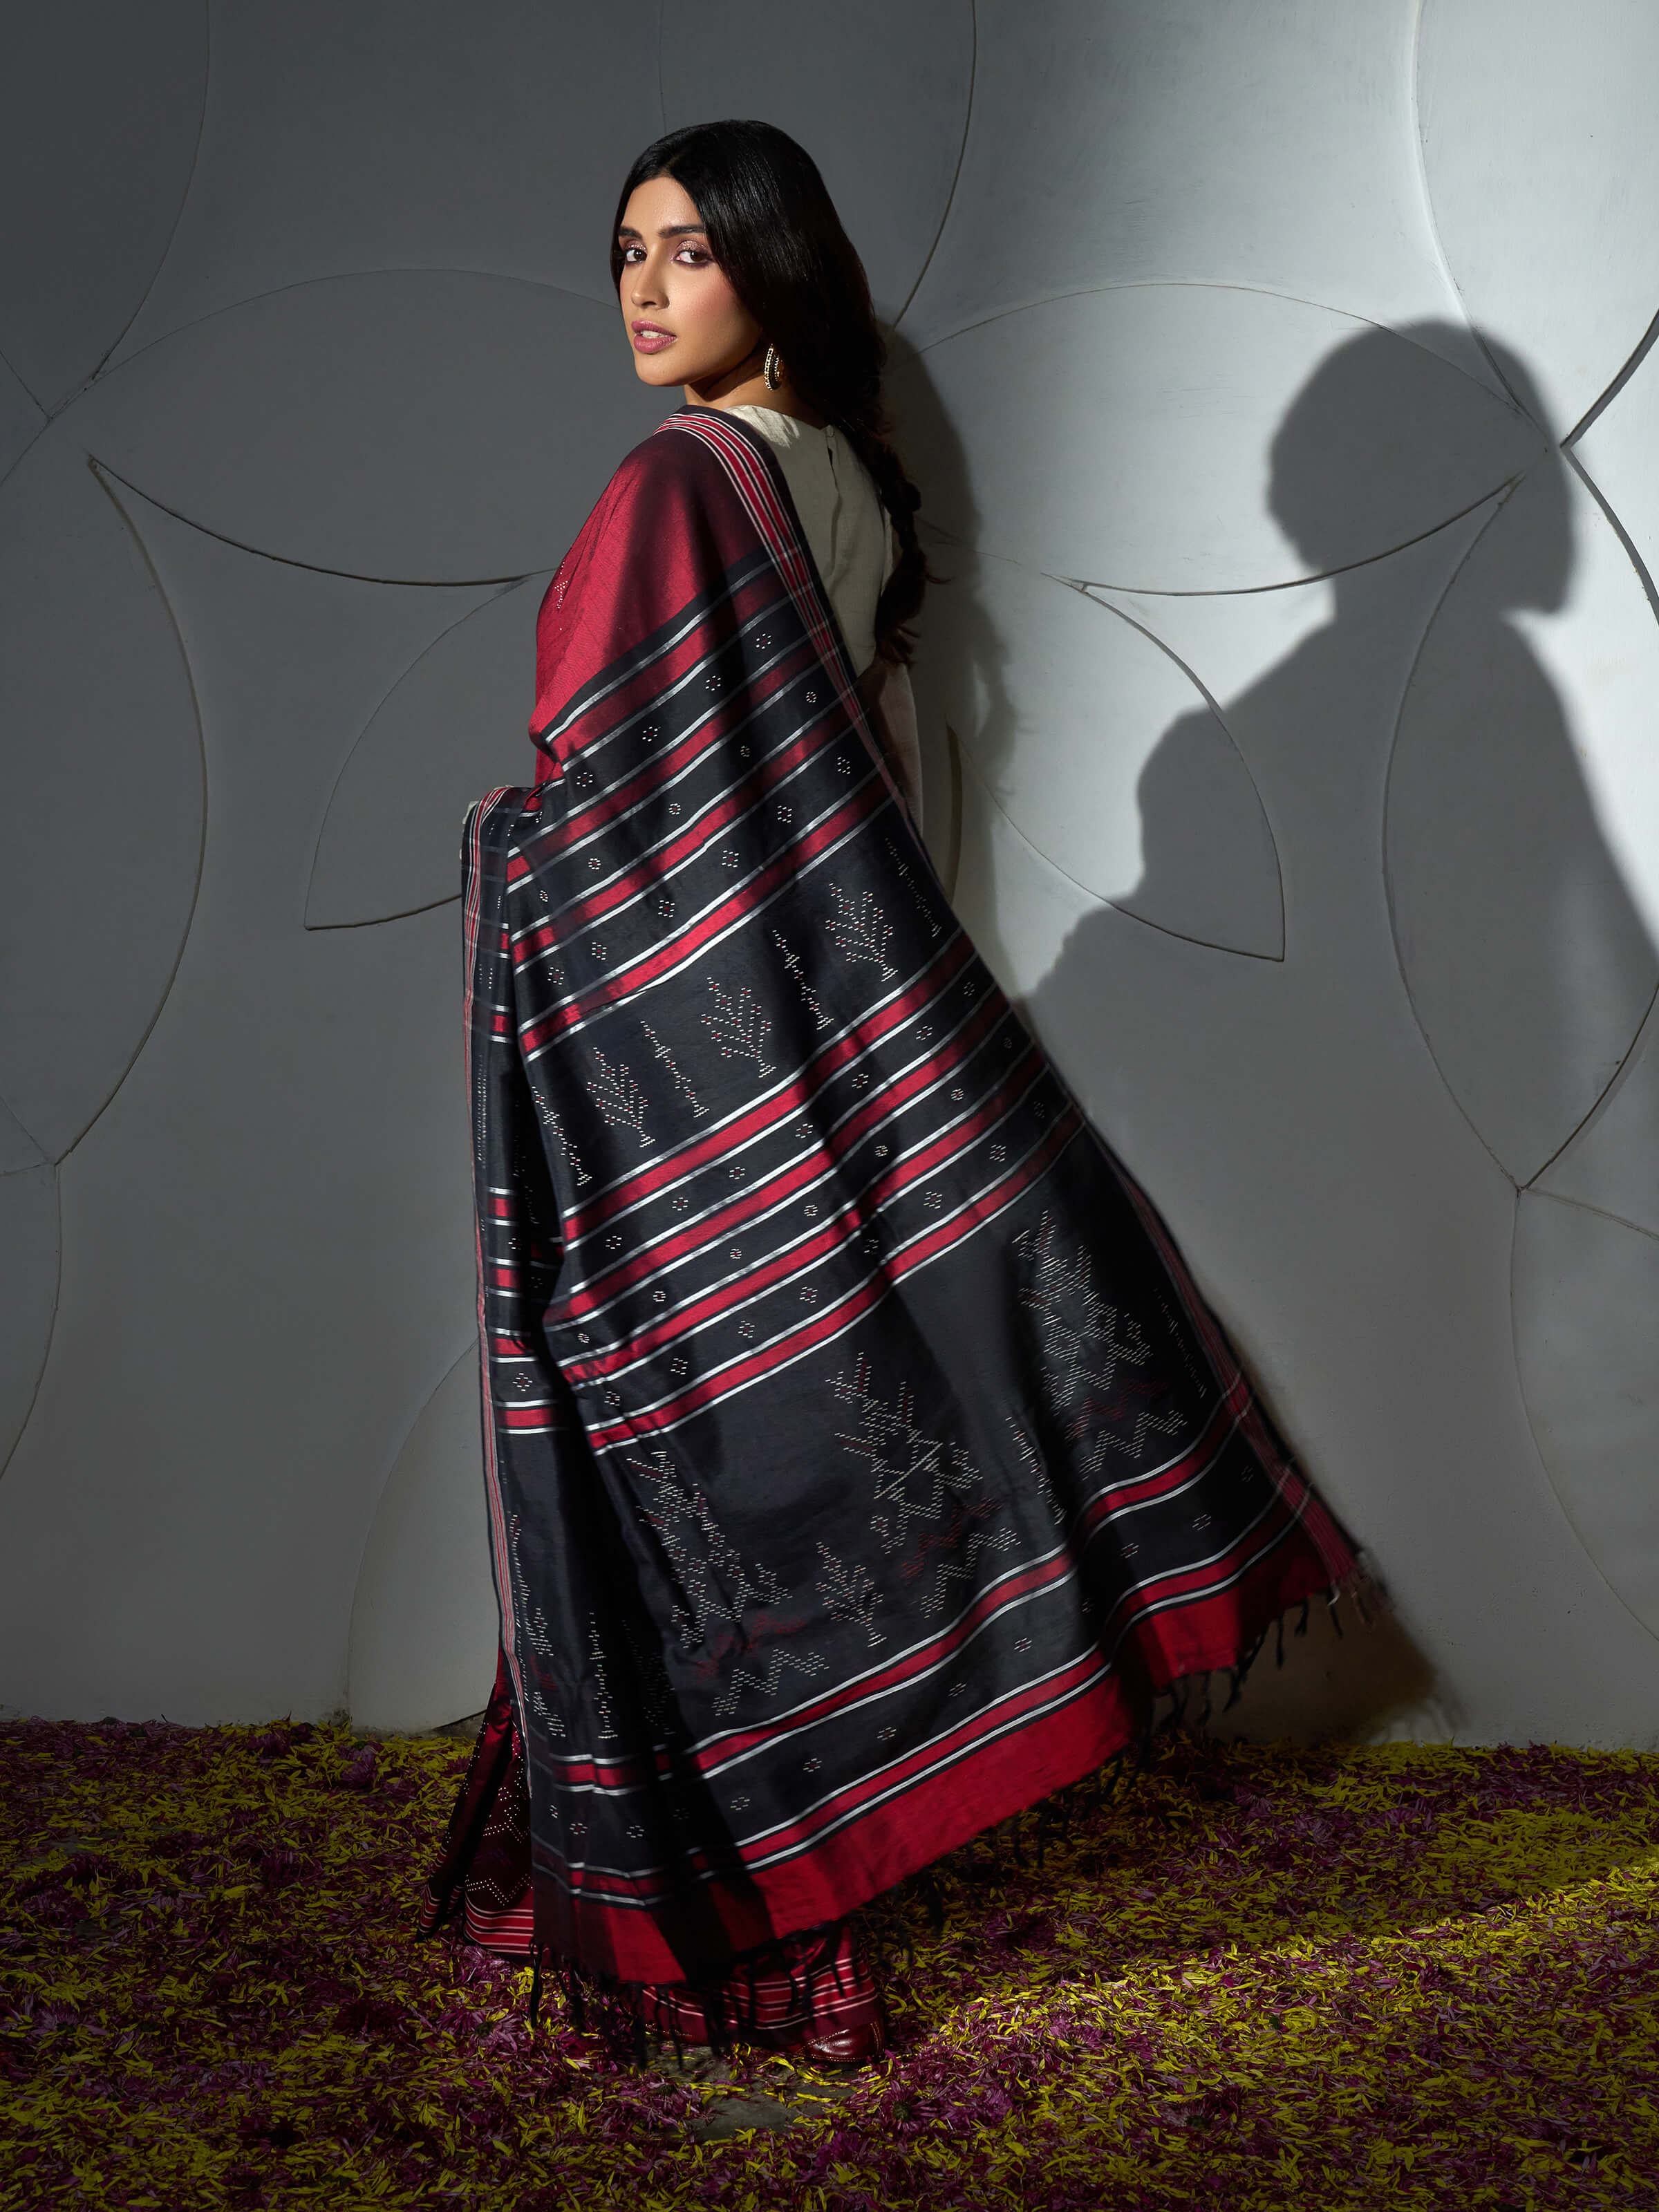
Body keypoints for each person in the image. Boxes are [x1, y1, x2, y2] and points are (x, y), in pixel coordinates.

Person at [418, 120, 1374, 2068]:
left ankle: (748, 1909)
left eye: (690, 248)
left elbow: (602, 798)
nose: (645, 284)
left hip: (703, 1079)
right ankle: (824, 1858)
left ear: (776, 268)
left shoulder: (677, 489)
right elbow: (880, 797)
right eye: (626, 248)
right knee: (838, 1448)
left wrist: (506, 853)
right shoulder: (847, 483)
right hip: (841, 1047)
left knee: (700, 1465)